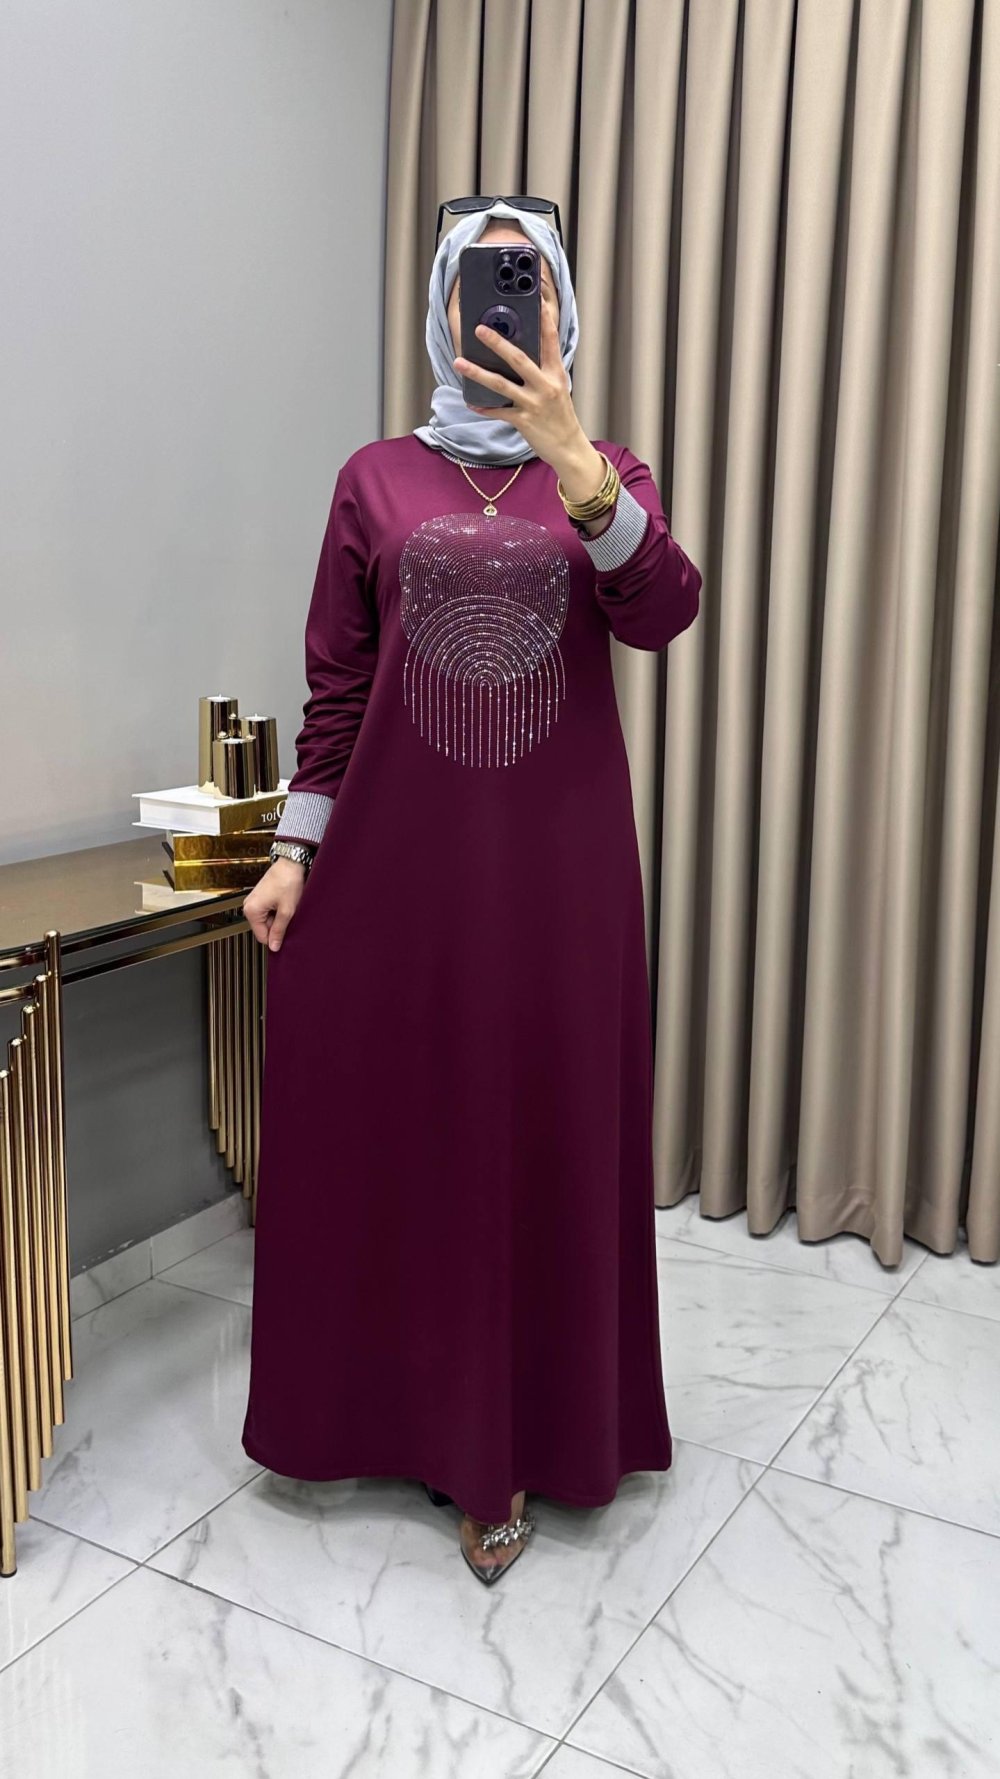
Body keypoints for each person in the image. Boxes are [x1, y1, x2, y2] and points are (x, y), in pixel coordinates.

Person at [240, 198, 702, 1585]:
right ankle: (403, 1418)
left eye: (530, 282)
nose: (505, 308)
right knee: (410, 1131)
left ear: (561, 308)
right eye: (481, 284)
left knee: (537, 1131)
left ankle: (524, 1439)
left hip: (559, 880)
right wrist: (294, 847)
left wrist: (575, 458)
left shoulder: (605, 469)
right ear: (445, 310)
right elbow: (338, 681)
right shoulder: (375, 476)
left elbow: (663, 611)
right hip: (396, 873)